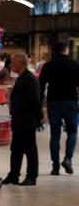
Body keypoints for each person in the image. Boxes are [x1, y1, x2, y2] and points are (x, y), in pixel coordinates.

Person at [38, 41, 79, 175]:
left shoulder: (48, 66)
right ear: (66, 50)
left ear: (54, 51)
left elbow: (41, 86)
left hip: (53, 102)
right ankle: (68, 159)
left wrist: (40, 104)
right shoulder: (74, 64)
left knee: (54, 135)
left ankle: (55, 166)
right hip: (71, 102)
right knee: (72, 132)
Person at [3, 52, 42, 186]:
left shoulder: (29, 79)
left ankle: (32, 176)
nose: (10, 65)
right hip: (20, 120)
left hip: (27, 120)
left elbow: (35, 101)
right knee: (16, 149)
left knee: (30, 150)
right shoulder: (21, 78)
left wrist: (39, 119)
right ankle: (14, 175)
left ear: (20, 63)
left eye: (13, 62)